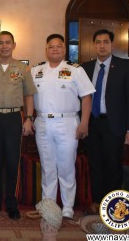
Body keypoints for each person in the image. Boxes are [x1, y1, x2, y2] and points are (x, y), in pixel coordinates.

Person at [31, 34, 95, 219]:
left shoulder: (75, 70)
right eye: (51, 46)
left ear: (64, 49)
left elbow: (86, 97)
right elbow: (28, 95)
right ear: (46, 49)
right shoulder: (36, 70)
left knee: (66, 166)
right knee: (47, 166)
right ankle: (48, 204)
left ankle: (67, 206)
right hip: (42, 122)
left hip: (67, 122)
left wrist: (84, 123)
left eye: (59, 46)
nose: (55, 49)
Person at [80, 29, 129, 214]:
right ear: (94, 45)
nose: (102, 45)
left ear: (111, 45)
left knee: (113, 165)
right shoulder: (86, 68)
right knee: (95, 164)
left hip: (114, 125)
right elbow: (80, 98)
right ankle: (97, 202)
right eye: (98, 42)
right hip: (93, 124)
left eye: (106, 42)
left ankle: (112, 206)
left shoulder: (125, 66)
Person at [0, 31, 36, 220]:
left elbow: (29, 95)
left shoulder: (23, 69)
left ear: (14, 45)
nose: (4, 46)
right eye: (0, 43)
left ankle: (12, 204)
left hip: (14, 118)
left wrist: (29, 118)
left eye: (7, 43)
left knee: (13, 162)